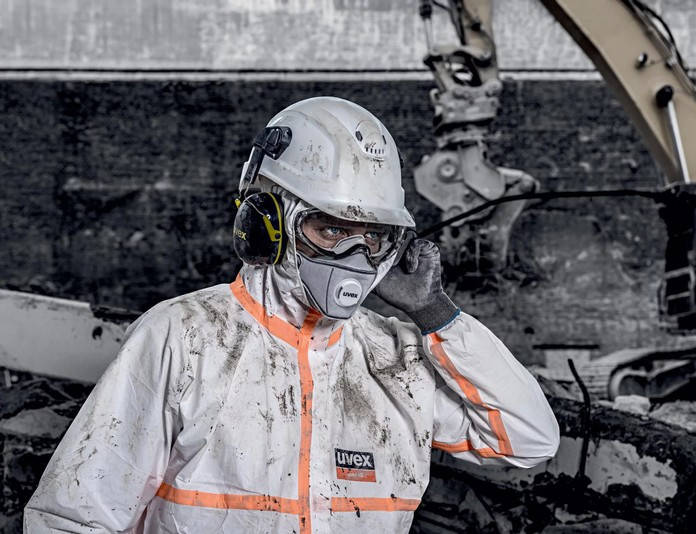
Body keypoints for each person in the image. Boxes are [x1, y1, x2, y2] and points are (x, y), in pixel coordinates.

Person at [24, 97, 559, 533]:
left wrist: (434, 312)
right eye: (331, 230)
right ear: (267, 225)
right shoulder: (185, 338)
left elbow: (528, 440)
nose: (355, 257)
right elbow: (74, 518)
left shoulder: (395, 360)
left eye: (373, 237)